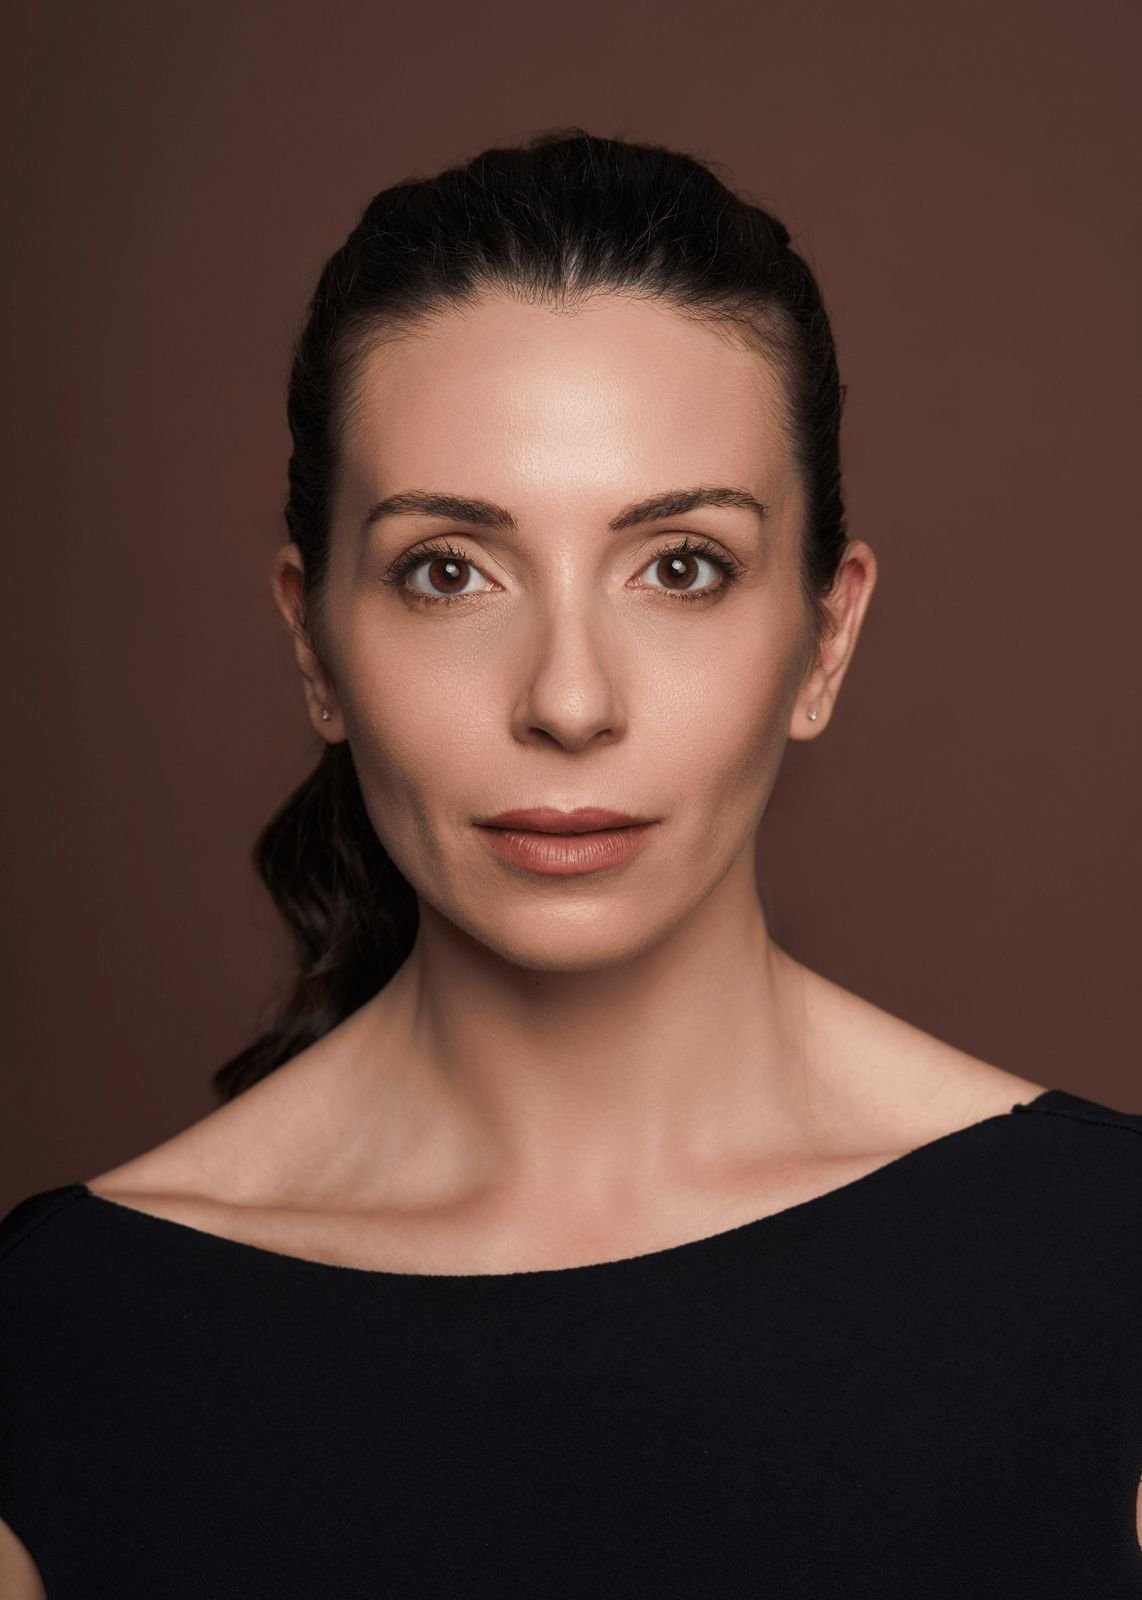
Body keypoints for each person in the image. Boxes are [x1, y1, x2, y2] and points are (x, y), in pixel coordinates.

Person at [1, 127, 1139, 1597]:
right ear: (314, 644)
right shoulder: (60, 1342)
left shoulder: (1106, 1270)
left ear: (826, 638)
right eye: (448, 571)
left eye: (680, 567)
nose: (569, 700)